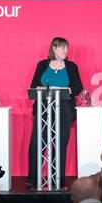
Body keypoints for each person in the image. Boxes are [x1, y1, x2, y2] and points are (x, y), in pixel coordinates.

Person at [27, 37, 83, 188]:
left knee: (59, 144)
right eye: (62, 47)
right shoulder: (42, 65)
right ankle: (33, 179)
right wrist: (41, 88)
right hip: (44, 107)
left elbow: (78, 87)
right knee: (37, 143)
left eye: (66, 48)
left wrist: (67, 90)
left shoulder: (71, 66)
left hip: (64, 108)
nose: (66, 50)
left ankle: (57, 179)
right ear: (54, 48)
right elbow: (33, 85)